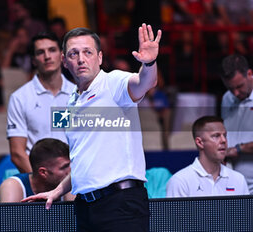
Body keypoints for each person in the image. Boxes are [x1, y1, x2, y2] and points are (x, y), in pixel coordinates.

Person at [24, 24, 162, 231]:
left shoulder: (113, 82)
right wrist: (59, 190)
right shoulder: (71, 102)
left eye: (87, 52)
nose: (81, 59)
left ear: (99, 57)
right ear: (64, 61)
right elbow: (82, 160)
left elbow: (145, 82)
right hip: (85, 207)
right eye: (73, 53)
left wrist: (149, 62)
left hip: (121, 204)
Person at [7, 31, 75, 173]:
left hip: (76, 179)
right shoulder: (20, 98)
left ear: (62, 56)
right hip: (40, 178)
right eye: (40, 52)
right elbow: (17, 154)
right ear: (33, 60)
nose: (47, 56)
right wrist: (42, 182)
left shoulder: (79, 94)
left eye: (52, 50)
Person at [166, 116, 249, 197]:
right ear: (200, 142)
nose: (224, 140)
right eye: (216, 136)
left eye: (225, 135)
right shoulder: (180, 181)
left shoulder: (238, 179)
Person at [220, 54, 253, 194]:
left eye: (239, 86)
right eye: (231, 88)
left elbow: (236, 147)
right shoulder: (227, 98)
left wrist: (239, 149)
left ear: (249, 74)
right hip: (234, 186)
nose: (235, 93)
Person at [0, 138, 72, 202]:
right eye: (64, 167)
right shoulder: (12, 186)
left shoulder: (70, 185)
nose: (71, 170)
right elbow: (8, 220)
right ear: (43, 172)